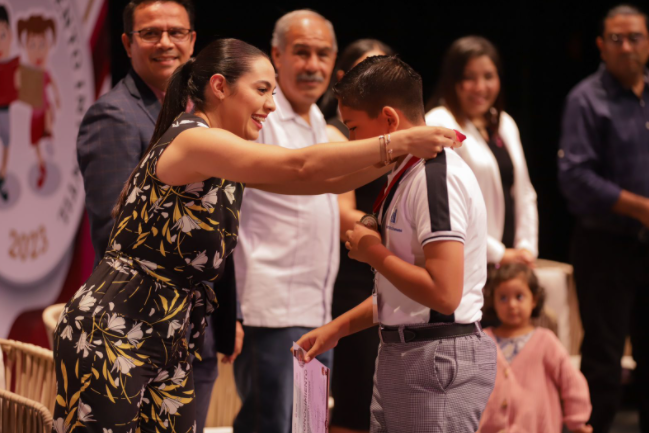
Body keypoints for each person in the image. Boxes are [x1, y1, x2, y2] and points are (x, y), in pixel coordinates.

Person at [52, 38, 458, 432]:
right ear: (219, 86)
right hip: (115, 325)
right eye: (262, 90)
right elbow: (301, 165)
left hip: (168, 331)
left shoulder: (224, 156)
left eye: (273, 93)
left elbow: (322, 182)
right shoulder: (194, 139)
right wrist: (399, 140)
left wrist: (403, 154)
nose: (271, 105)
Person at [296, 55, 495, 433]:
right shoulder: (406, 173)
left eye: (353, 128)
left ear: (389, 119)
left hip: (436, 356)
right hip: (406, 350)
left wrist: (372, 251)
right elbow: (404, 291)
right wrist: (337, 328)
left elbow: (444, 295)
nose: (352, 142)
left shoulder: (436, 177)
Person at [75, 2, 232, 431]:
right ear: (127, 43)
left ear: (193, 41)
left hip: (192, 331)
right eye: (150, 33)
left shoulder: (204, 119)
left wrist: (223, 316)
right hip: (133, 330)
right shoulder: (114, 116)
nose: (165, 43)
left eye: (176, 32)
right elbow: (116, 234)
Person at [232, 10, 338, 433]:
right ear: (276, 56)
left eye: (322, 54)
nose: (313, 65)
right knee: (270, 425)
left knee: (309, 427)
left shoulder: (318, 120)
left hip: (317, 308)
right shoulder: (262, 116)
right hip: (271, 310)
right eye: (301, 52)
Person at [558, 5, 649, 432]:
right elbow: (574, 176)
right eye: (616, 38)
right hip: (605, 246)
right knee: (604, 360)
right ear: (601, 45)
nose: (626, 46)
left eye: (635, 37)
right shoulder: (585, 99)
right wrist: (641, 208)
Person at [318, 38, 395, 433]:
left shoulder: (394, 131)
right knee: (355, 398)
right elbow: (342, 213)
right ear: (343, 80)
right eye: (365, 73)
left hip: (391, 270)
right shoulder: (335, 133)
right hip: (354, 274)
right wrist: (394, 228)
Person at [425, 36, 538, 267]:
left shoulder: (504, 123)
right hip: (466, 262)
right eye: (469, 77)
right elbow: (446, 205)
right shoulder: (438, 124)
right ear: (452, 80)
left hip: (511, 265)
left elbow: (524, 191)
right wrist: (498, 254)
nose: (480, 87)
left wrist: (526, 248)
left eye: (488, 76)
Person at [478, 263, 592, 433]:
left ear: (534, 300)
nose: (512, 305)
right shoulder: (483, 340)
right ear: (493, 301)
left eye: (519, 296)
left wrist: (577, 420)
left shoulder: (546, 341)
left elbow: (571, 381)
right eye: (503, 298)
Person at [17, 14, 60, 189]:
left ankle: (48, 136)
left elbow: (53, 85)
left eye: (42, 45)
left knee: (47, 114)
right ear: (26, 48)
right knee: (35, 141)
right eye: (32, 45)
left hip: (45, 108)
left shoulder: (44, 73)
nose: (37, 51)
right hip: (35, 113)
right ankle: (42, 165)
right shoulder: (27, 74)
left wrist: (57, 98)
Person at [0, 4, 19, 201]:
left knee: (6, 143)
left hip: (5, 111)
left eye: (2, 35)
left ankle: (2, 177)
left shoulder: (13, 65)